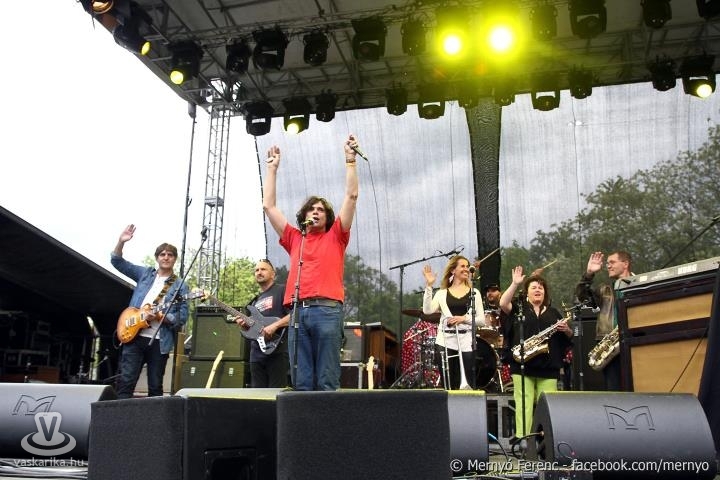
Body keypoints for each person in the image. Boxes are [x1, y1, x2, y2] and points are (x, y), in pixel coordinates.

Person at [262, 134, 359, 391]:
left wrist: (350, 161)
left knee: (326, 378)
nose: (316, 212)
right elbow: (269, 206)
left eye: (321, 209)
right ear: (304, 215)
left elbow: (351, 197)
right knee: (301, 380)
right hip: (297, 312)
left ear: (327, 217)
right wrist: (272, 170)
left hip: (327, 310)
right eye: (311, 209)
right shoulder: (296, 238)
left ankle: (326, 418)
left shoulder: (337, 235)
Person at [111, 224, 189, 398]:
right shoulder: (145, 274)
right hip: (133, 336)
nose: (166, 257)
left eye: (170, 255)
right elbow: (117, 261)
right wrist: (121, 242)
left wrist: (161, 316)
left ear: (175, 259)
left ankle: (154, 417)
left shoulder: (180, 286)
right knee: (126, 383)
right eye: (162, 254)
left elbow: (182, 317)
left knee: (155, 387)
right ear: (157, 258)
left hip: (159, 342)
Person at [499, 266, 572, 446]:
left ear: (545, 292)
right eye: (533, 287)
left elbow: (568, 338)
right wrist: (515, 284)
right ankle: (524, 440)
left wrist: (567, 330)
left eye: (541, 287)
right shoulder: (519, 309)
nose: (538, 289)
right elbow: (503, 303)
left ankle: (545, 440)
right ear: (527, 292)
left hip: (548, 366)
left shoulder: (554, 313)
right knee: (523, 402)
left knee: (547, 405)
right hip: (522, 365)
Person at [422, 256, 485, 390]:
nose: (466, 269)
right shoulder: (441, 293)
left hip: (466, 340)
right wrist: (429, 286)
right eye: (462, 266)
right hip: (445, 340)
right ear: (453, 270)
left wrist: (464, 318)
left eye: (467, 266)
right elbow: (427, 311)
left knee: (468, 382)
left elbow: (481, 321)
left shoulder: (475, 293)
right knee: (449, 383)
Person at [575, 250, 633, 391]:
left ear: (625, 264)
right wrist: (589, 274)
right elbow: (582, 296)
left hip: (634, 342)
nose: (608, 266)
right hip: (610, 346)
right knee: (614, 390)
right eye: (607, 263)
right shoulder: (604, 290)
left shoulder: (641, 284)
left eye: (612, 262)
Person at [235, 259, 291, 388]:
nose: (259, 272)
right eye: (256, 270)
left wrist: (275, 325)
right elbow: (252, 329)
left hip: (277, 350)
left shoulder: (282, 290)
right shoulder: (255, 301)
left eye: (263, 269)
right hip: (256, 354)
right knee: (257, 395)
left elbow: (295, 314)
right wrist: (244, 325)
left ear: (273, 274)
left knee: (275, 394)